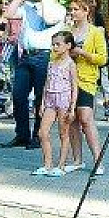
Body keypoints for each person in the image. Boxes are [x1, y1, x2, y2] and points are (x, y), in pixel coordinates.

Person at [5, 0, 65, 149]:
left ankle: (38, 135)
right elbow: (9, 14)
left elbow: (48, 19)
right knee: (18, 95)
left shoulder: (58, 9)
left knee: (41, 97)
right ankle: (21, 134)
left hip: (45, 55)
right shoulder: (29, 7)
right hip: (26, 55)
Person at [62, 0, 107, 173]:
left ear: (86, 11)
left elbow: (102, 59)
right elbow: (55, 53)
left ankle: (98, 160)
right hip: (67, 80)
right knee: (71, 119)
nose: (72, 13)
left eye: (75, 9)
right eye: (71, 9)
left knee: (86, 119)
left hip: (86, 80)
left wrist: (83, 53)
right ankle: (77, 159)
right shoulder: (67, 31)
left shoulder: (95, 32)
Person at [36, 31, 77, 177]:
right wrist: (42, 103)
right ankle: (47, 164)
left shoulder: (70, 64)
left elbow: (74, 86)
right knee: (42, 132)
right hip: (50, 100)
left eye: (58, 44)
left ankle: (61, 164)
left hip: (63, 100)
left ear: (68, 45)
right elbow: (46, 83)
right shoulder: (51, 63)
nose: (54, 47)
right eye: (53, 44)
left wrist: (72, 107)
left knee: (63, 133)